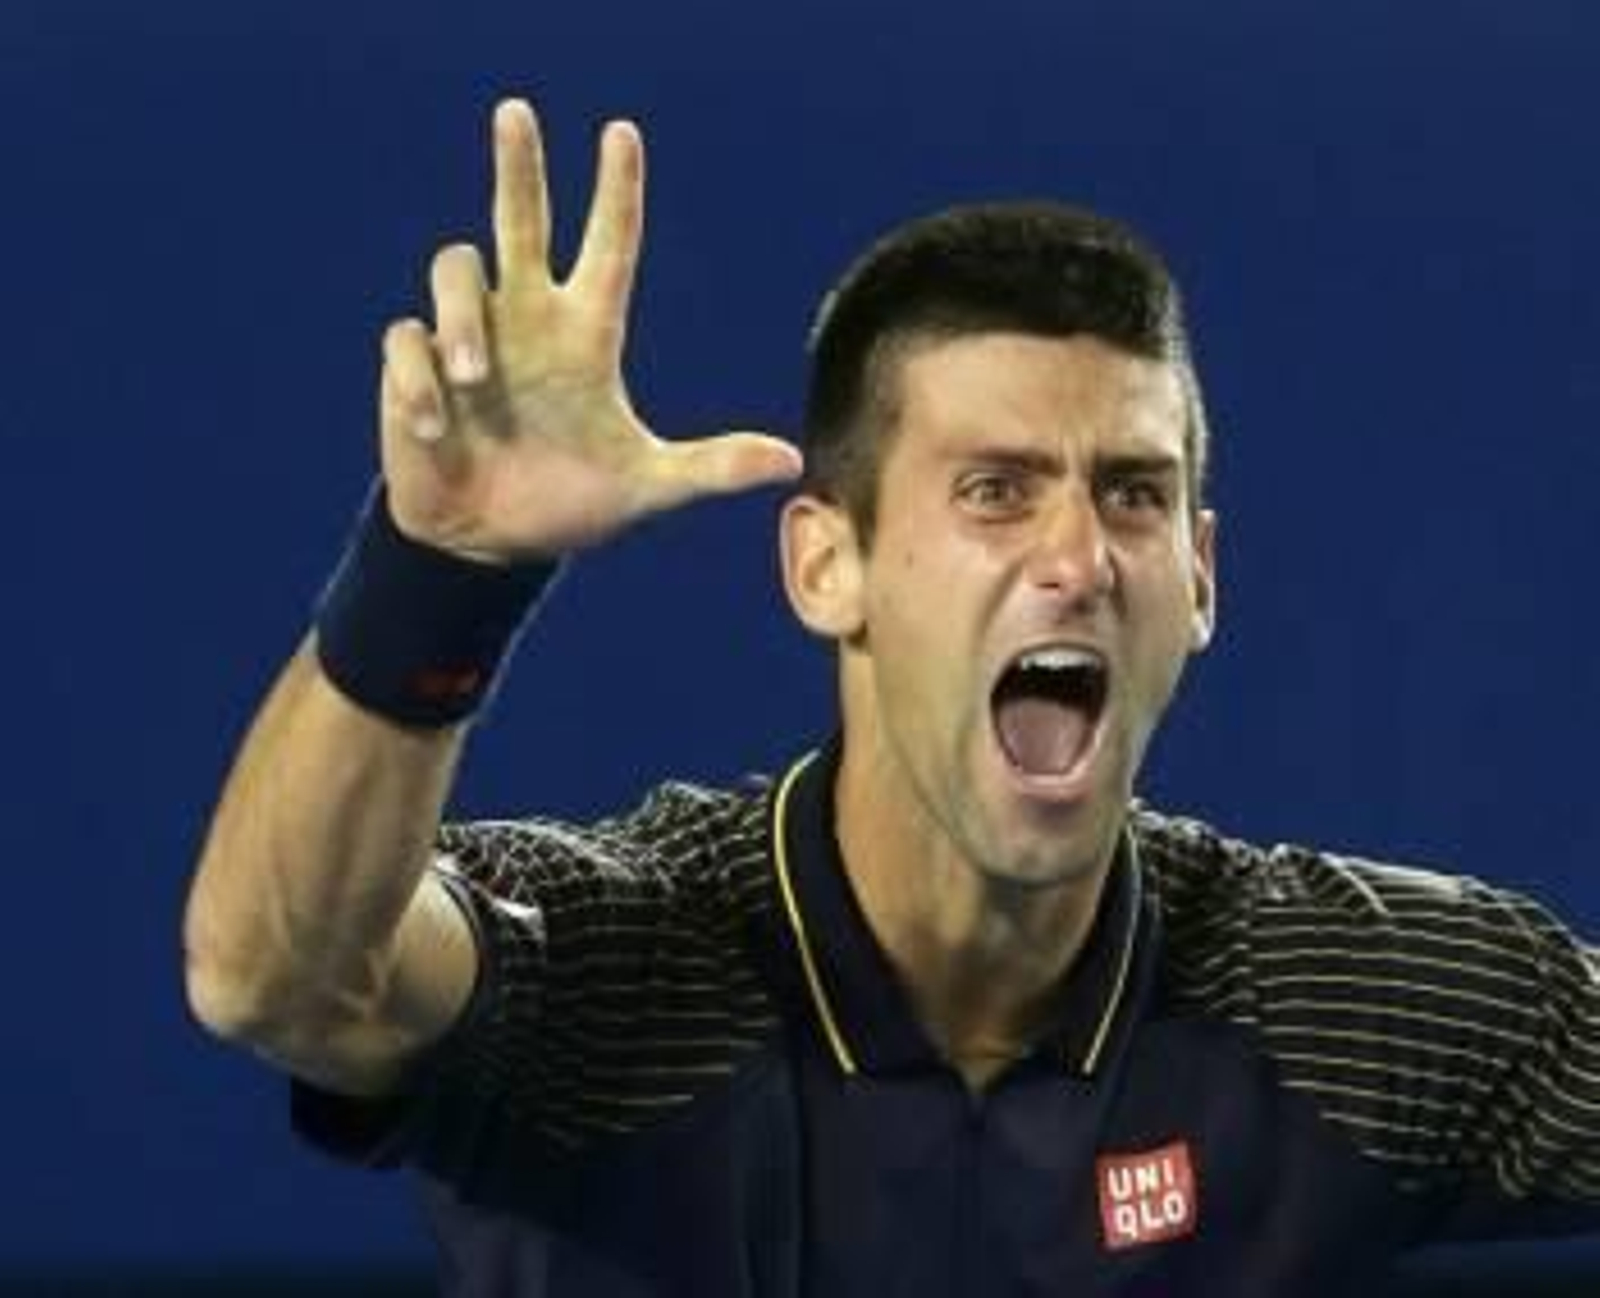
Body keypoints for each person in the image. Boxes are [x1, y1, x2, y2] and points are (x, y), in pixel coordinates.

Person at [183, 97, 1600, 1296]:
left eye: (1134, 493)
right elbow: (279, 974)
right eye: (995, 491)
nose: (1078, 557)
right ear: (825, 563)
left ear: (1201, 578)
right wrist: (439, 571)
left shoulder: (1363, 1009)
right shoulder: (607, 968)